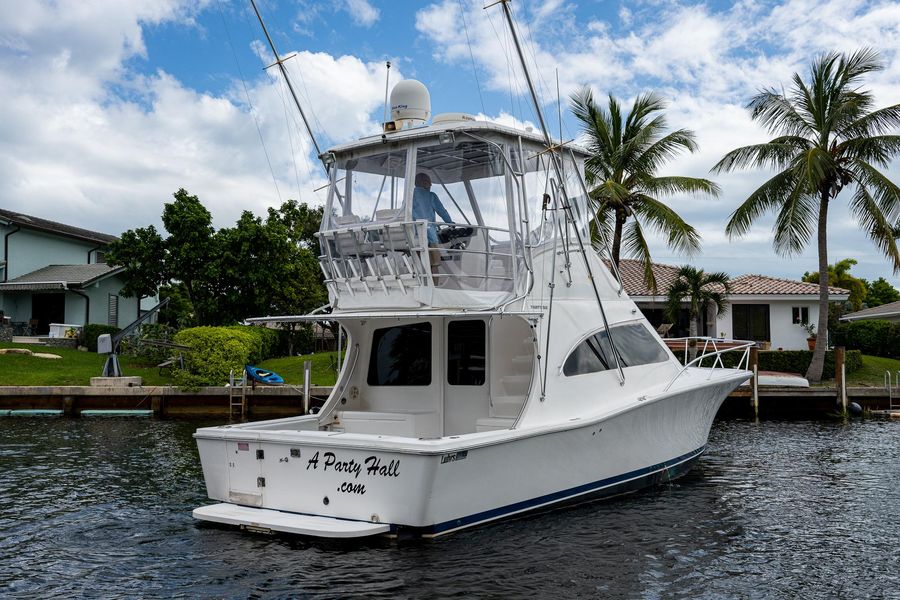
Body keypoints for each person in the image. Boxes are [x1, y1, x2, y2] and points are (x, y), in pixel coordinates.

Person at [412, 172, 453, 245]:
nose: (431, 185)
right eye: (429, 182)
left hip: (413, 232)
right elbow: (442, 212)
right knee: (434, 249)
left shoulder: (409, 196)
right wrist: (450, 223)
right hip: (428, 231)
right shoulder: (431, 196)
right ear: (423, 183)